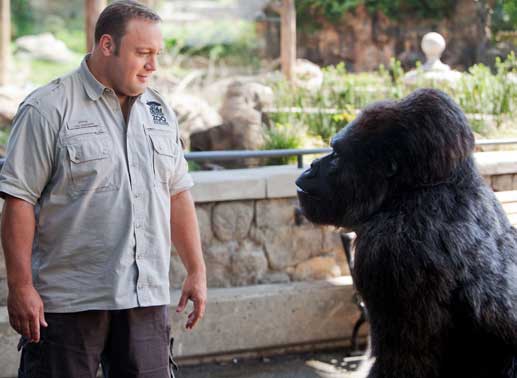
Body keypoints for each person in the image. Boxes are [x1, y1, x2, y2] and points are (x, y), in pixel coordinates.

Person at [0, 1, 207, 377]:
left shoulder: (160, 112)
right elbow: (19, 200)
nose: (153, 66)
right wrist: (20, 287)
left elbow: (177, 193)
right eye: (143, 53)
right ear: (107, 46)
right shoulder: (48, 108)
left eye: (156, 54)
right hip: (68, 304)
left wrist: (196, 269)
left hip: (145, 297)